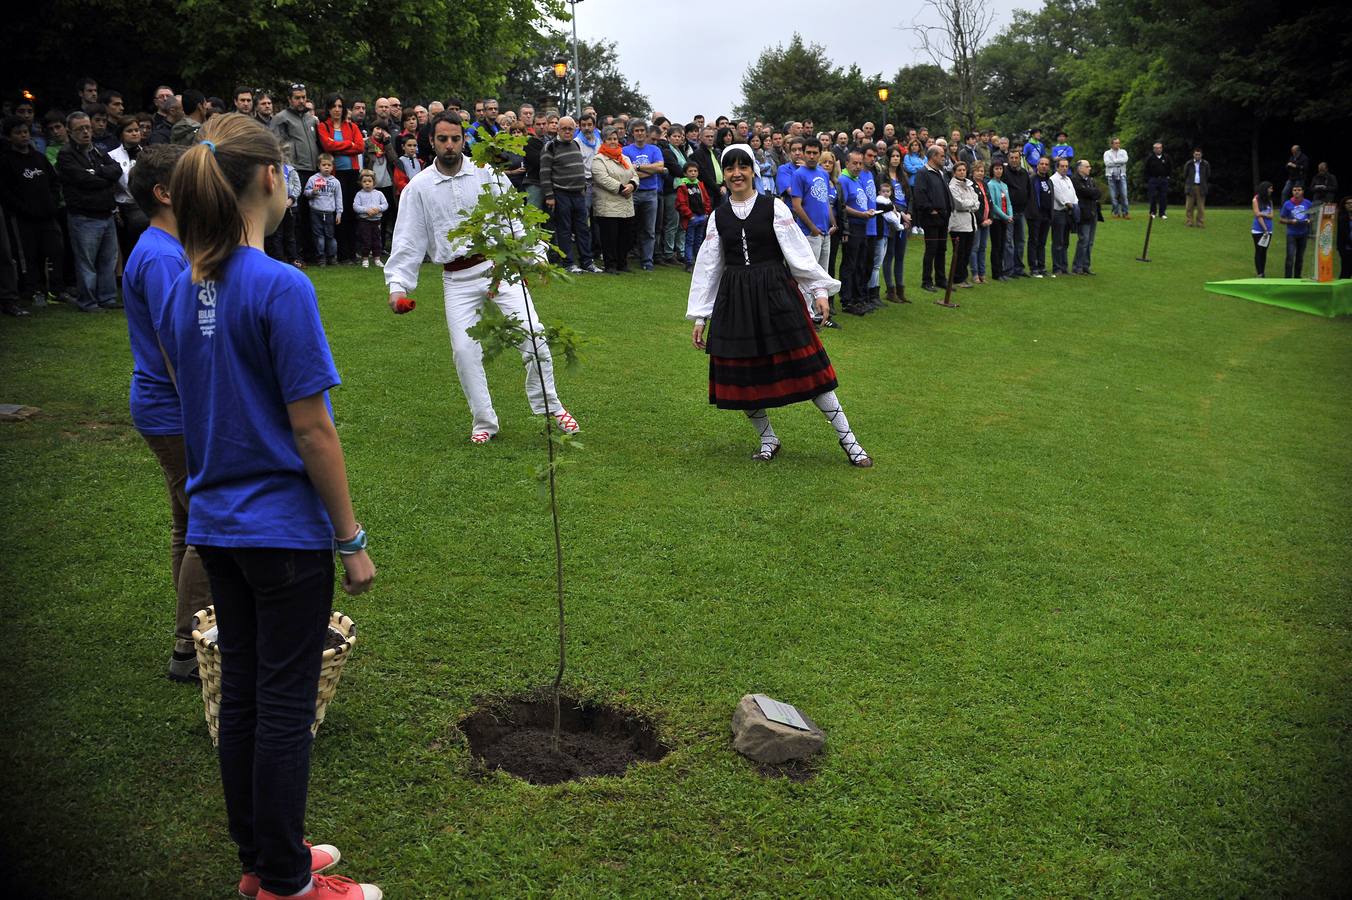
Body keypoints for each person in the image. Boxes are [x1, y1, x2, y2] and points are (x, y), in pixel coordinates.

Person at [160, 112, 380, 900]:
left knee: (246, 697)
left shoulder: (182, 289)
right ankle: (287, 881)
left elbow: (195, 402)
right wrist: (350, 538)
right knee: (281, 706)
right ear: (269, 180)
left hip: (215, 530)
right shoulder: (282, 286)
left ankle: (263, 856)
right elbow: (313, 429)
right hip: (282, 537)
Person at [385, 113, 581, 443]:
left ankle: (550, 405)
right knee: (464, 351)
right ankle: (484, 421)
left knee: (534, 336)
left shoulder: (486, 173)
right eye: (443, 139)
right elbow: (407, 239)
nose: (450, 145)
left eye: (456, 138)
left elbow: (513, 219)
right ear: (431, 141)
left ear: (464, 140)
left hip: (499, 269)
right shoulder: (419, 187)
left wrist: (533, 258)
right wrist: (397, 287)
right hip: (456, 279)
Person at [686, 143, 871, 467]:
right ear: (725, 174)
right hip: (736, 302)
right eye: (730, 168)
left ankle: (850, 441)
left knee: (811, 371)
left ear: (753, 171)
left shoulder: (774, 208)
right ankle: (768, 437)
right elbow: (709, 266)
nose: (737, 173)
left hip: (775, 295)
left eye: (743, 166)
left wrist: (819, 291)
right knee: (741, 378)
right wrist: (701, 315)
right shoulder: (719, 217)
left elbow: (798, 255)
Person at [119, 143, 213, 680]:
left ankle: (196, 628)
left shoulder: (169, 246)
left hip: (168, 408)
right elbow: (175, 343)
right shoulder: (159, 255)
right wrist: (205, 405)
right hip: (171, 410)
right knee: (206, 526)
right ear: (165, 193)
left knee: (186, 522)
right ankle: (188, 647)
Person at [57, 111, 122, 311]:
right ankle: (88, 301)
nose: (85, 132)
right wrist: (103, 177)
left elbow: (117, 170)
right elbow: (83, 180)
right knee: (87, 263)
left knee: (107, 260)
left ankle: (107, 298)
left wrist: (98, 172)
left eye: (87, 127)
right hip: (83, 216)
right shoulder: (66, 154)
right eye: (80, 129)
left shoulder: (97, 151)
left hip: (105, 213)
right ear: (70, 132)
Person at [0, 116, 66, 307]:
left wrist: (52, 204)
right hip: (23, 218)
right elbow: (6, 192)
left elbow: (54, 182)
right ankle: (34, 290)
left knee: (55, 251)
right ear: (9, 136)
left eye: (25, 132)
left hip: (48, 215)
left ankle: (57, 290)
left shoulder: (39, 157)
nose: (23, 136)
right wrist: (24, 209)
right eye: (18, 133)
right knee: (29, 255)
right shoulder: (6, 161)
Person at [540, 116, 599, 274]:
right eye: (564, 128)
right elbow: (545, 173)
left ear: (575, 129)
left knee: (583, 229)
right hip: (560, 194)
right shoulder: (550, 146)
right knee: (564, 230)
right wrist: (549, 196)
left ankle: (587, 262)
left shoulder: (576, 144)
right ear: (558, 129)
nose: (567, 131)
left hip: (579, 194)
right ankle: (569, 263)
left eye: (570, 129)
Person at [317, 95, 362, 261]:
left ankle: (353, 252)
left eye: (340, 106)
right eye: (334, 106)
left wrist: (341, 147)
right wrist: (348, 144)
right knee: (339, 214)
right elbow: (327, 146)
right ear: (328, 109)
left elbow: (360, 146)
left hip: (352, 173)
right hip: (335, 175)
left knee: (352, 212)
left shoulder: (351, 126)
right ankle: (341, 254)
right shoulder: (323, 126)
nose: (337, 109)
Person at [591, 126, 640, 274]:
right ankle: (610, 265)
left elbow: (634, 174)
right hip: (608, 205)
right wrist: (621, 188)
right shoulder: (599, 159)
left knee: (625, 237)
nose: (613, 142)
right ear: (604, 141)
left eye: (615, 139)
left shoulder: (624, 158)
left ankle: (622, 264)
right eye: (609, 139)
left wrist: (632, 185)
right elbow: (602, 178)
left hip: (625, 204)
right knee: (610, 238)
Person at [837, 149, 875, 313]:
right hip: (852, 226)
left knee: (860, 263)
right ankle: (847, 300)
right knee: (850, 264)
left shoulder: (856, 179)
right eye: (855, 163)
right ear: (847, 163)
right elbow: (842, 206)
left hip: (862, 225)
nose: (858, 166)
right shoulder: (843, 180)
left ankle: (858, 298)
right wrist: (861, 214)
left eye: (860, 163)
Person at [913, 145, 952, 294]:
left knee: (942, 249)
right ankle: (926, 280)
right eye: (941, 155)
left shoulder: (939, 173)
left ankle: (941, 279)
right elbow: (920, 194)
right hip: (931, 218)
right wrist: (931, 210)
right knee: (931, 249)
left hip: (943, 217)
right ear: (933, 157)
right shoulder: (923, 173)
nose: (944, 158)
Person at [109, 117, 149, 261]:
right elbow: (113, 185)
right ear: (121, 134)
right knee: (128, 248)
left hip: (145, 206)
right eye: (129, 131)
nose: (134, 133)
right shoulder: (112, 156)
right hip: (124, 207)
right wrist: (115, 210)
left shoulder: (147, 154)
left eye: (136, 130)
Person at [304, 155, 341, 266]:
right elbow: (306, 193)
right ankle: (321, 258)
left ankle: (332, 257)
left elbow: (338, 198)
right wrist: (313, 191)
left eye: (329, 165)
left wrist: (339, 213)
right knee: (318, 236)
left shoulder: (335, 182)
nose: (326, 167)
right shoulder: (313, 179)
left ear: (332, 167)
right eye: (324, 165)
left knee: (330, 236)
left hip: (329, 212)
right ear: (318, 166)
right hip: (316, 211)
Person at [947, 160, 978, 290]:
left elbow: (977, 202)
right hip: (958, 224)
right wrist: (971, 203)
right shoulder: (952, 186)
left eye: (964, 170)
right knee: (959, 252)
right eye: (959, 170)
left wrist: (970, 203)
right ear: (954, 172)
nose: (962, 172)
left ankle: (962, 277)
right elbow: (958, 204)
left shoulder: (969, 185)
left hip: (970, 222)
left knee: (967, 252)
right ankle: (957, 278)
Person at [675, 160, 711, 272]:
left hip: (701, 217)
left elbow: (706, 199)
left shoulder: (700, 184)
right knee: (689, 240)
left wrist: (706, 213)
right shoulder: (682, 186)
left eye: (695, 171)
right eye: (690, 171)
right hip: (691, 218)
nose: (693, 173)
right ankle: (689, 263)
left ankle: (698, 262)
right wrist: (690, 216)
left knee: (699, 240)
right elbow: (681, 203)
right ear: (685, 173)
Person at [351, 169, 387, 267]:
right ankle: (365, 259)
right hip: (364, 221)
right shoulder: (359, 194)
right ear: (361, 183)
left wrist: (378, 209)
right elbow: (356, 206)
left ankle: (377, 259)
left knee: (377, 240)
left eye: (369, 181)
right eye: (364, 181)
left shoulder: (379, 194)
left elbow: (385, 204)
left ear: (374, 182)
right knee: (365, 240)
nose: (367, 183)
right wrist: (366, 210)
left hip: (376, 221)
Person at [1003, 147, 1030, 277]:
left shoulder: (1024, 173)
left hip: (1021, 211)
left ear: (1020, 159)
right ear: (1008, 159)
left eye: (1016, 158)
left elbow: (1028, 190)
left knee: (1020, 241)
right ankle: (1009, 269)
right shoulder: (1004, 172)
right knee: (1008, 242)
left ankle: (1019, 268)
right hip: (1008, 212)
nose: (1014, 160)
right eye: (1012, 158)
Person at [1071, 159, 1101, 275]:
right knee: (1084, 240)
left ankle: (1085, 266)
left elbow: (1097, 193)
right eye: (1087, 166)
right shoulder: (1075, 180)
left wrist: (1091, 192)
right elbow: (1082, 192)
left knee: (1090, 242)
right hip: (1084, 214)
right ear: (1080, 168)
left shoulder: (1090, 180)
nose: (1090, 168)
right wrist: (1091, 192)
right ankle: (1077, 266)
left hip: (1093, 212)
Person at [1049, 157, 1078, 276]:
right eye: (1062, 166)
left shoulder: (1068, 179)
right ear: (1057, 167)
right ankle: (1057, 267)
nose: (1065, 168)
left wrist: (1075, 204)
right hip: (1058, 212)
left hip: (1068, 212)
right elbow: (1059, 196)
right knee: (1058, 241)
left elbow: (1074, 194)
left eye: (1066, 166)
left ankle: (1064, 267)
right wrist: (1069, 204)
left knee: (1065, 241)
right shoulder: (1053, 179)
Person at [1026, 156, 1054, 277]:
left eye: (1046, 164)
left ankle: (1042, 267)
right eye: (1041, 164)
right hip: (1034, 215)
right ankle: (1033, 268)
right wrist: (1032, 212)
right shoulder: (1032, 179)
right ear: (1037, 166)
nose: (1044, 166)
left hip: (1046, 215)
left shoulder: (1049, 180)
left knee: (1042, 242)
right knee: (1034, 241)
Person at [986, 160, 1012, 281]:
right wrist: (1005, 217)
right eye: (996, 169)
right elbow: (994, 205)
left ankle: (1001, 271)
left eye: (1000, 169)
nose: (999, 171)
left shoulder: (1004, 185)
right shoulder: (991, 184)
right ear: (992, 170)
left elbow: (1008, 202)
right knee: (996, 246)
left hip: (1005, 219)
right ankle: (996, 273)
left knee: (1003, 245)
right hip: (997, 219)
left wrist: (1010, 215)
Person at [1280, 184, 1312, 278]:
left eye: (1299, 190)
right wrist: (1290, 221)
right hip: (1292, 234)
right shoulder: (1287, 204)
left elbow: (1313, 216)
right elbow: (1281, 219)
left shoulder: (1307, 203)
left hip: (1303, 233)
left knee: (1300, 257)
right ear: (1292, 192)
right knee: (1290, 257)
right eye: (1294, 190)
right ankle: (1288, 278)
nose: (1296, 192)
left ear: (1302, 191)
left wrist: (1310, 220)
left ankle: (1297, 277)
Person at [968, 160, 992, 284]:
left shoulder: (985, 184)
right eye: (978, 171)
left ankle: (982, 273)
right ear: (973, 172)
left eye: (982, 171)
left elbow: (990, 202)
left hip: (987, 221)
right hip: (977, 222)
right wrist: (982, 220)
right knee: (975, 248)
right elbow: (973, 206)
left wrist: (990, 218)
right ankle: (975, 274)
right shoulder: (970, 185)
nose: (980, 173)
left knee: (983, 247)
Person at [1250, 181, 1274, 277]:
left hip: (1269, 229)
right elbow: (1257, 215)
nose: (1272, 190)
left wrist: (1262, 214)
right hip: (1258, 230)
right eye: (1270, 188)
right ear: (1265, 189)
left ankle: (1263, 271)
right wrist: (1264, 229)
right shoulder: (1255, 199)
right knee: (1259, 250)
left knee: (1264, 251)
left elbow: (1271, 215)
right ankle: (1259, 273)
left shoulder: (1269, 201)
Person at [1182, 148, 1210, 227]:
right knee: (1189, 206)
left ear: (1201, 155)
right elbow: (1185, 174)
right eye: (1196, 154)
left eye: (1199, 154)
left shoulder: (1205, 164)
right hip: (1191, 186)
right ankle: (1189, 222)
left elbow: (1208, 175)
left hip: (1201, 187)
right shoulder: (1189, 164)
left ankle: (1200, 222)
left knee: (1200, 207)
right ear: (1193, 155)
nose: (1197, 156)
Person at [1103, 137, 1129, 218]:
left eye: (1118, 143)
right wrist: (1119, 162)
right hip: (1111, 176)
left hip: (1122, 175)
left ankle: (1125, 213)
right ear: (1112, 144)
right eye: (1116, 143)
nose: (1117, 144)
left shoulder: (1123, 151)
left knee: (1124, 194)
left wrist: (1114, 161)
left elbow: (1125, 160)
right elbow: (1107, 163)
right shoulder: (1107, 153)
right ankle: (1116, 212)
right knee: (1113, 195)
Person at [1144, 142, 1170, 219]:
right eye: (1157, 148)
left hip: (1163, 179)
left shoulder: (1166, 157)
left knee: (1163, 197)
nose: (1158, 149)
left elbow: (1170, 167)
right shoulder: (1150, 158)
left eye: (1160, 148)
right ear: (1154, 149)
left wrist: (1168, 176)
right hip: (1153, 179)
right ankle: (1152, 212)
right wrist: (1149, 178)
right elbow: (1146, 169)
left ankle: (1162, 213)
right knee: (1153, 196)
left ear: (1162, 149)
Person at [1338, 196, 1352, 279]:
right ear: (1344, 205)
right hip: (1346, 249)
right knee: (1345, 272)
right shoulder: (1341, 218)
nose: (1351, 205)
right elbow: (1341, 236)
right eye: (1348, 203)